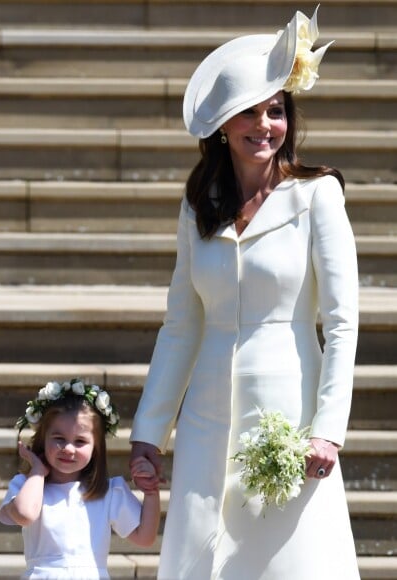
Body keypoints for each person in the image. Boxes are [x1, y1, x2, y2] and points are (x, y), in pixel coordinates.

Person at [129, 6, 360, 580]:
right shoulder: (198, 204)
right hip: (207, 421)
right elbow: (181, 324)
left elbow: (341, 322)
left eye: (276, 111)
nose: (265, 125)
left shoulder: (317, 196)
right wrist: (148, 435)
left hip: (291, 418)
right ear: (224, 125)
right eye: (249, 113)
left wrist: (328, 428)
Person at [0, 378, 160, 579]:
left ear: (96, 448)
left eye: (80, 441)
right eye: (59, 439)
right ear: (42, 438)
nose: (68, 448)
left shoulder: (108, 491)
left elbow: (145, 537)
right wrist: (38, 471)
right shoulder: (26, 486)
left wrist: (151, 493)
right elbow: (25, 514)